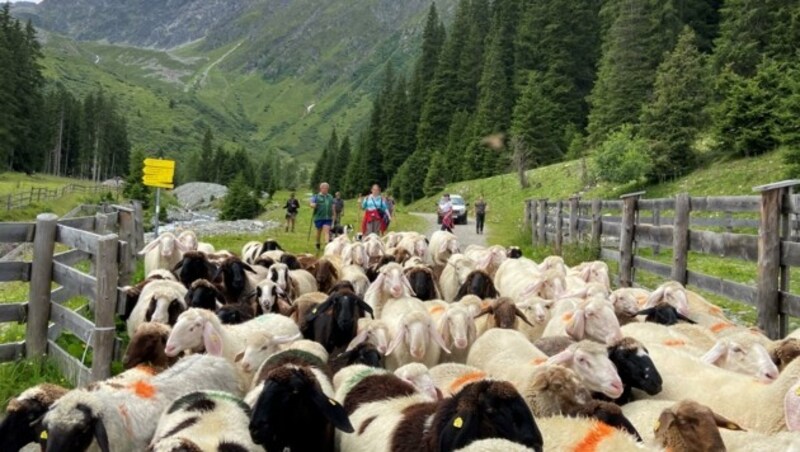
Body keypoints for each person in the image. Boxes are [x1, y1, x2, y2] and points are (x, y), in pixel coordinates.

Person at [310, 182, 334, 250]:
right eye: (324, 188)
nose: (326, 190)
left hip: (328, 217)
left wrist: (333, 215)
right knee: (319, 231)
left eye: (327, 188)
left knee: (326, 231)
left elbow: (332, 206)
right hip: (319, 217)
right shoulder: (316, 196)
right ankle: (317, 242)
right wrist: (313, 205)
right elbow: (311, 203)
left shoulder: (330, 197)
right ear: (321, 188)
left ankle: (327, 246)